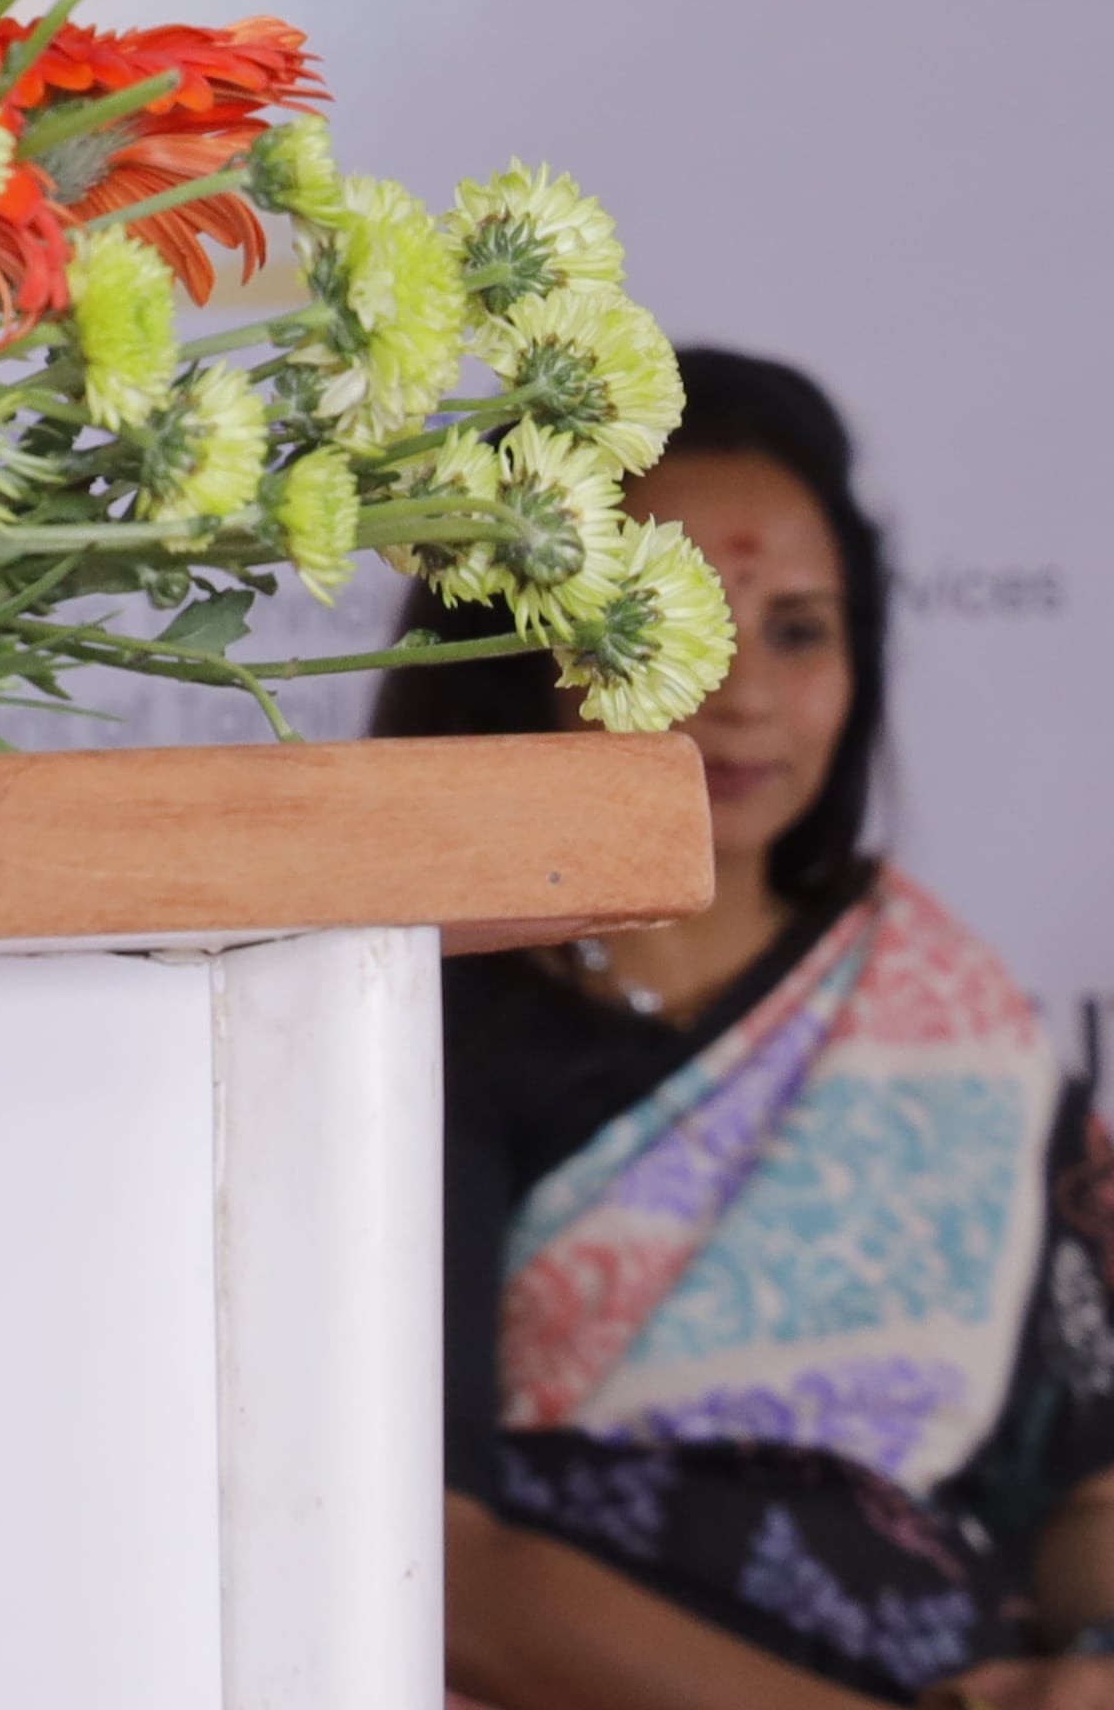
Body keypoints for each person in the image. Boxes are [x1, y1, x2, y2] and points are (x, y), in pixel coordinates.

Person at [377, 347, 1114, 1707]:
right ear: (519, 642)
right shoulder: (407, 1024)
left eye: (799, 630)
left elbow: (1082, 1495)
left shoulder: (944, 1021)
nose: (744, 693)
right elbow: (423, 1565)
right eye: (676, 619)